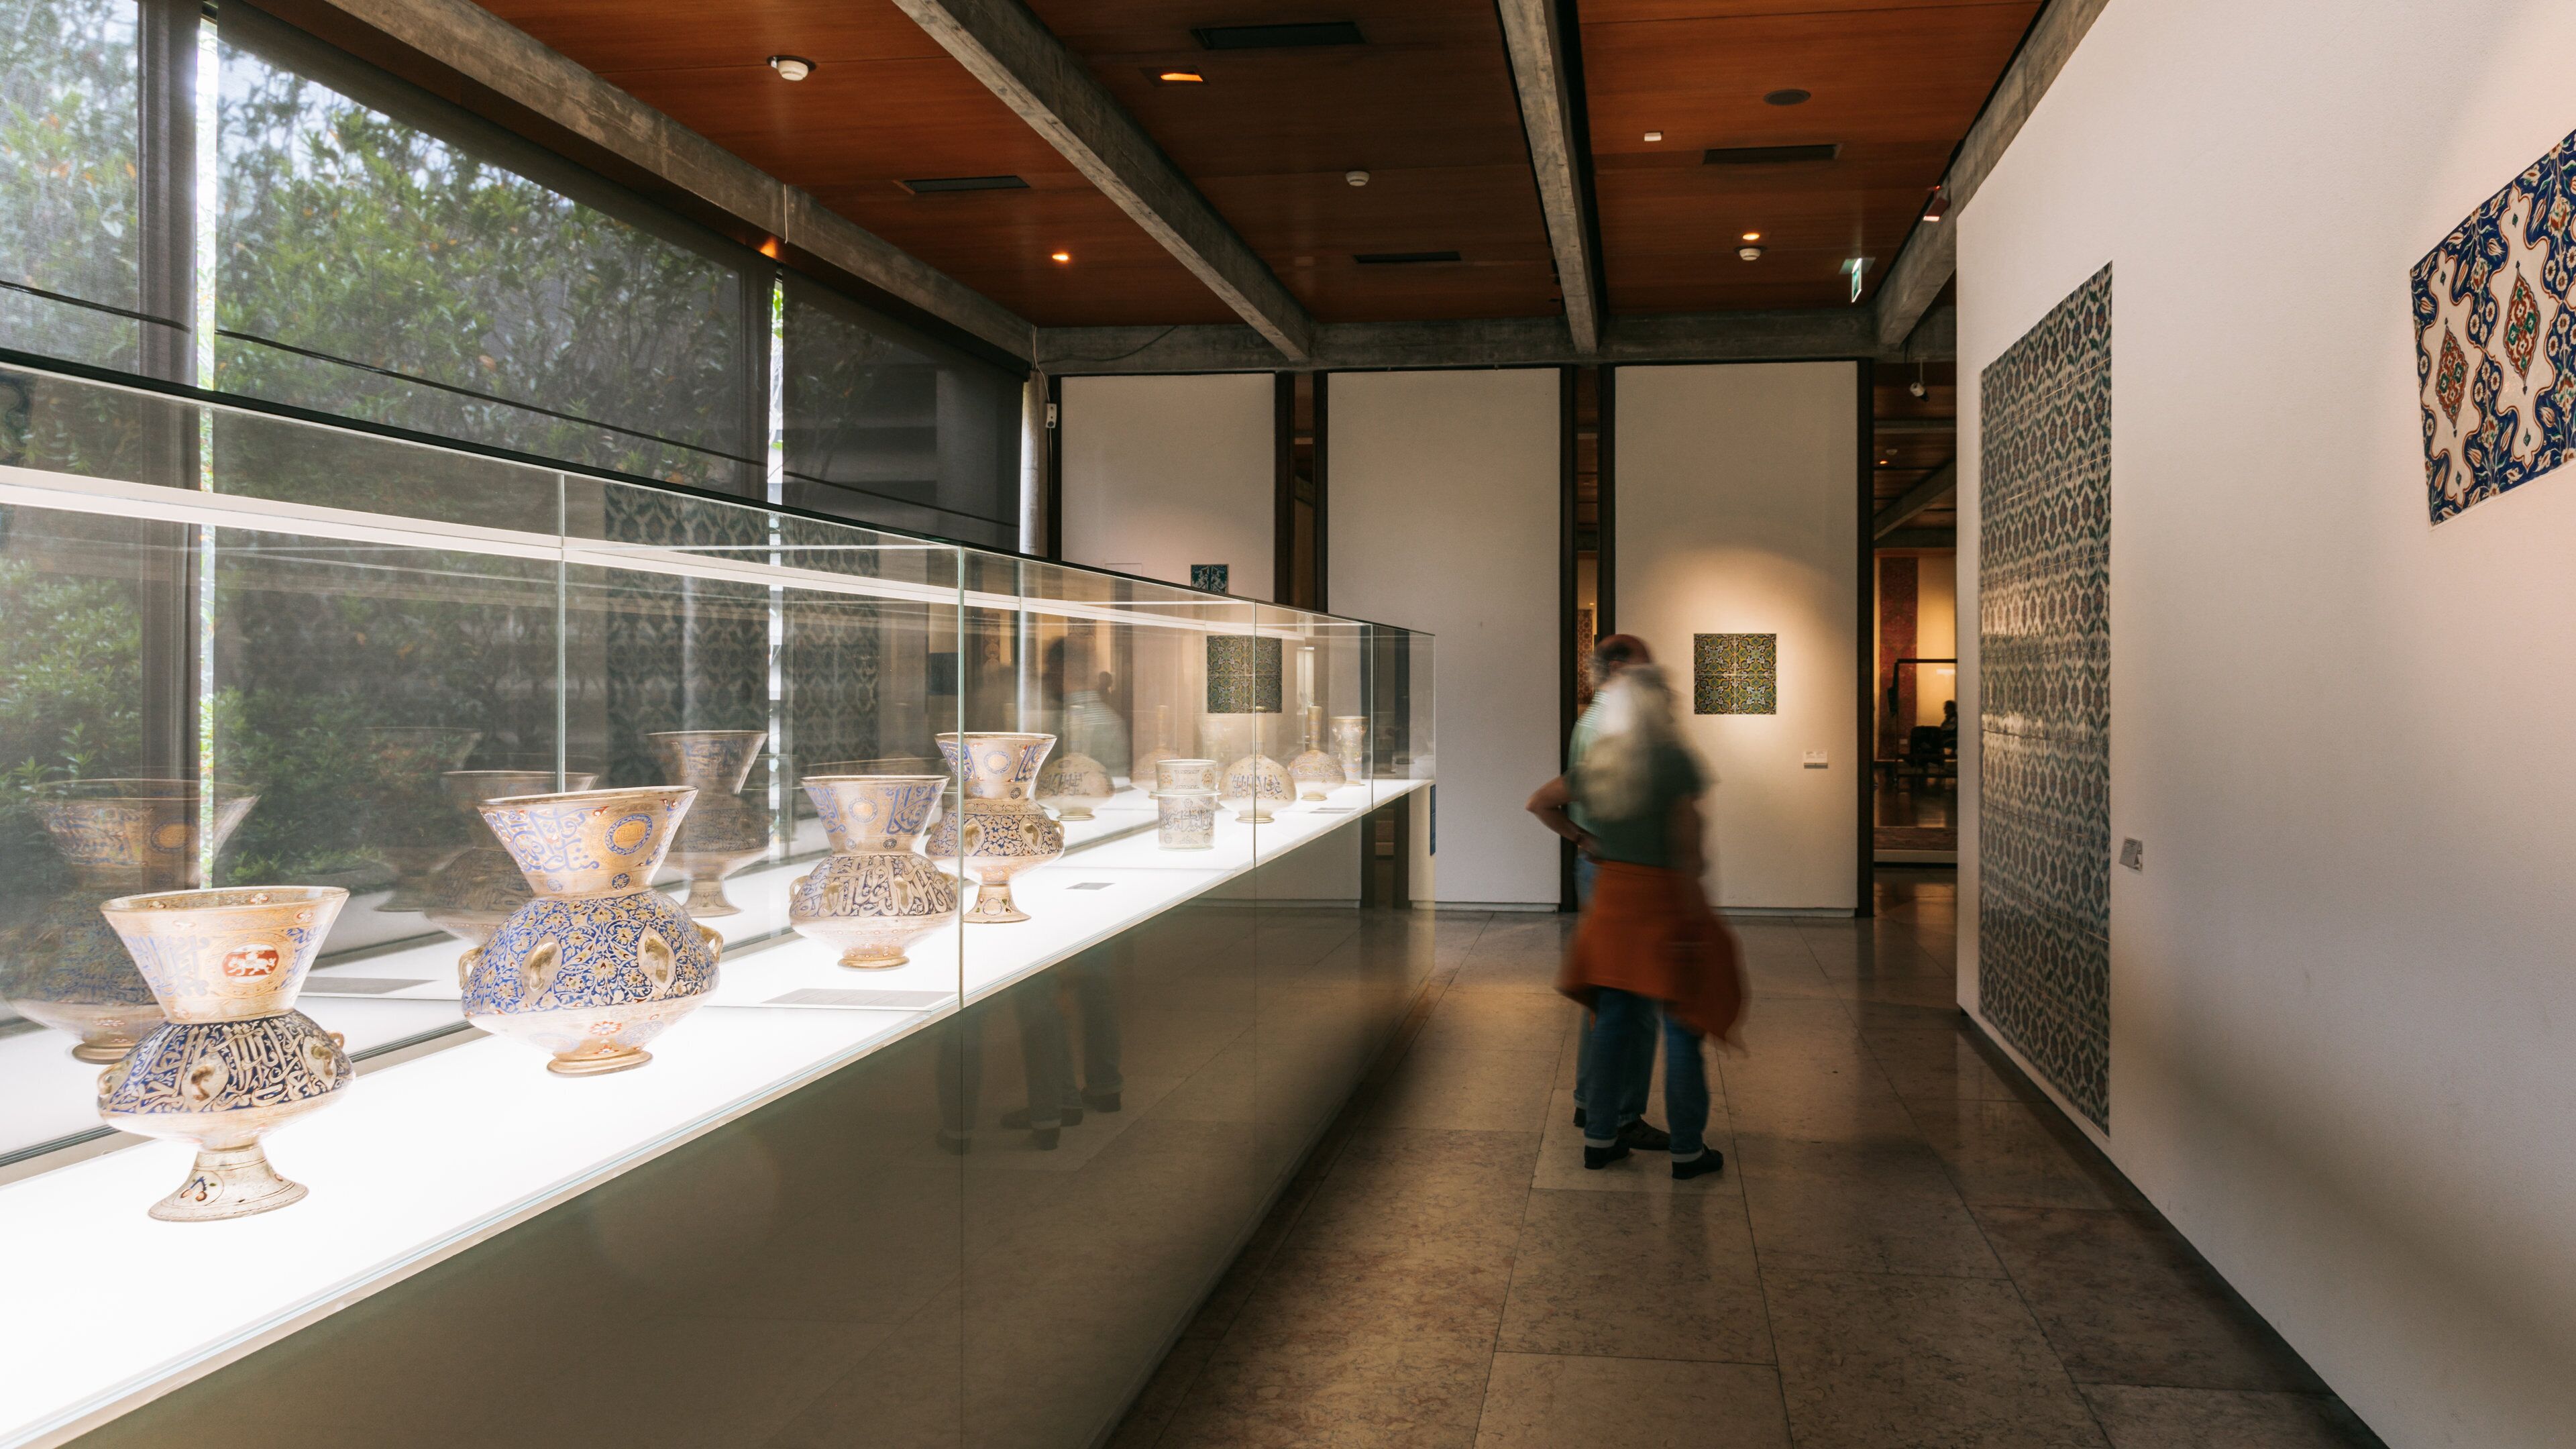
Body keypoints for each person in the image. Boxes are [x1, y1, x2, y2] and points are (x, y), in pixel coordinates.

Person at [1527, 662, 1743, 1179]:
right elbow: (1689, 852)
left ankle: (1600, 1137)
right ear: (1660, 705)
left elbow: (1540, 802)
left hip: (1613, 906)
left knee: (1614, 1022)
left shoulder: (1602, 759)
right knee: (1683, 1026)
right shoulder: (1675, 763)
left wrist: (1585, 840)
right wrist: (1695, 920)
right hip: (1664, 903)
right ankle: (1688, 1149)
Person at [1562, 634, 1662, 1150]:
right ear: (1621, 668)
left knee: (1607, 992)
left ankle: (1591, 1100)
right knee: (1635, 1000)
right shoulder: (1611, 725)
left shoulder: (1594, 721)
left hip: (1603, 867)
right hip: (1621, 873)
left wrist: (1582, 839)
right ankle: (1620, 1114)